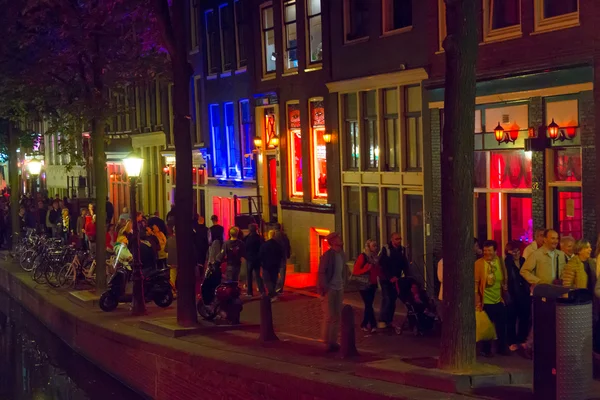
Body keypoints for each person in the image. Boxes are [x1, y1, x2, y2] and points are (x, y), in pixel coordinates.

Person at [519, 229, 566, 357]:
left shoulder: (560, 255)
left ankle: (546, 349)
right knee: (539, 321)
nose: (555, 241)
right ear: (545, 239)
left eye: (557, 238)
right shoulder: (536, 255)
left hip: (555, 293)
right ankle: (529, 347)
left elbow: (564, 272)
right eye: (552, 238)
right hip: (541, 294)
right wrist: (538, 281)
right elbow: (524, 271)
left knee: (553, 322)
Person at [475, 240, 509, 357]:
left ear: (495, 251)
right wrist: (478, 301)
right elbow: (475, 283)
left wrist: (504, 288)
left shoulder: (500, 262)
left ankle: (502, 347)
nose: (487, 253)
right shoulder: (479, 263)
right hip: (486, 301)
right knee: (486, 326)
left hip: (498, 299)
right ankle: (486, 349)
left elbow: (505, 277)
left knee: (501, 325)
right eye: (485, 250)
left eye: (489, 250)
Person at [317, 232, 348, 352]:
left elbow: (343, 269)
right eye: (338, 238)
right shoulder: (328, 256)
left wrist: (344, 283)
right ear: (333, 242)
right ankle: (326, 340)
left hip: (339, 287)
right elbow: (322, 272)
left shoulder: (342, 254)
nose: (340, 239)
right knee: (329, 315)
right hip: (330, 288)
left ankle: (333, 341)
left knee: (337, 315)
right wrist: (325, 287)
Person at [378, 232, 409, 330]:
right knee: (387, 299)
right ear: (392, 239)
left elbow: (405, 264)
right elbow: (383, 265)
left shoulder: (402, 250)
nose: (399, 241)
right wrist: (390, 277)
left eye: (400, 239)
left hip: (396, 279)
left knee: (393, 300)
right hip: (386, 279)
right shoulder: (386, 249)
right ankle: (382, 320)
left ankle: (389, 320)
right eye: (397, 239)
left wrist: (407, 276)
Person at [504, 241, 530, 352]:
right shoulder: (507, 262)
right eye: (513, 251)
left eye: (518, 251)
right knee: (511, 318)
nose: (516, 253)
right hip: (512, 293)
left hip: (524, 293)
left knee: (524, 317)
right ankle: (511, 341)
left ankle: (521, 339)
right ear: (508, 252)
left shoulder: (523, 261)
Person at [352, 240, 380, 333]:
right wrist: (366, 268)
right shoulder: (362, 256)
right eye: (373, 246)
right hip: (363, 284)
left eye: (376, 246)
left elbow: (377, 271)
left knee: (369, 305)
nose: (375, 248)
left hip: (373, 283)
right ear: (368, 247)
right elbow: (355, 271)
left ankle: (365, 324)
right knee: (368, 304)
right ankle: (372, 324)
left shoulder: (376, 258)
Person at [260, 230, 283, 301]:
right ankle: (272, 294)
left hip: (267, 265)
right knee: (273, 280)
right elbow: (280, 256)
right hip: (275, 265)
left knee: (267, 280)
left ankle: (273, 294)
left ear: (269, 235)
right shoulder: (278, 245)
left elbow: (261, 255)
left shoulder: (264, 245)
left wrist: (262, 264)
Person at [244, 223, 264, 297]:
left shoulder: (247, 238)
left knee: (249, 275)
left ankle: (250, 292)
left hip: (249, 258)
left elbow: (244, 248)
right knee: (258, 275)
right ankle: (262, 291)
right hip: (257, 258)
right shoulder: (259, 238)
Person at [273, 223, 291, 294]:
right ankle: (280, 288)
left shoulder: (274, 236)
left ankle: (276, 287)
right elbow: (288, 245)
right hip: (283, 256)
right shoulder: (284, 236)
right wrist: (288, 254)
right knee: (282, 273)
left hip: (276, 256)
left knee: (275, 272)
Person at [167, 227, 178, 297]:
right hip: (179, 261)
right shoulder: (181, 240)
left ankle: (173, 292)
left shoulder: (169, 239)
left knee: (172, 278)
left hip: (171, 262)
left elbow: (165, 250)